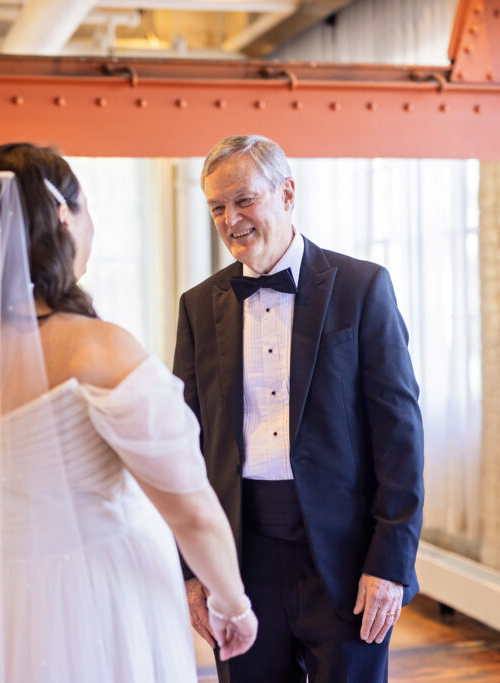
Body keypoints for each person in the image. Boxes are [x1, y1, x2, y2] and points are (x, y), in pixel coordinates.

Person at [0, 142, 256, 683]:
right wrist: (233, 604)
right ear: (62, 216)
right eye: (87, 207)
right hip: (88, 595)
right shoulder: (99, 351)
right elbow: (189, 509)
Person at [173, 134, 424, 683]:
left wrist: (389, 564)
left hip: (345, 560)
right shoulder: (197, 306)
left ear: (287, 193)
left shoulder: (363, 288)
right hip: (239, 561)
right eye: (217, 207)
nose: (231, 219)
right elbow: (184, 448)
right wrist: (192, 571)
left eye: (244, 200)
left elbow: (400, 437)